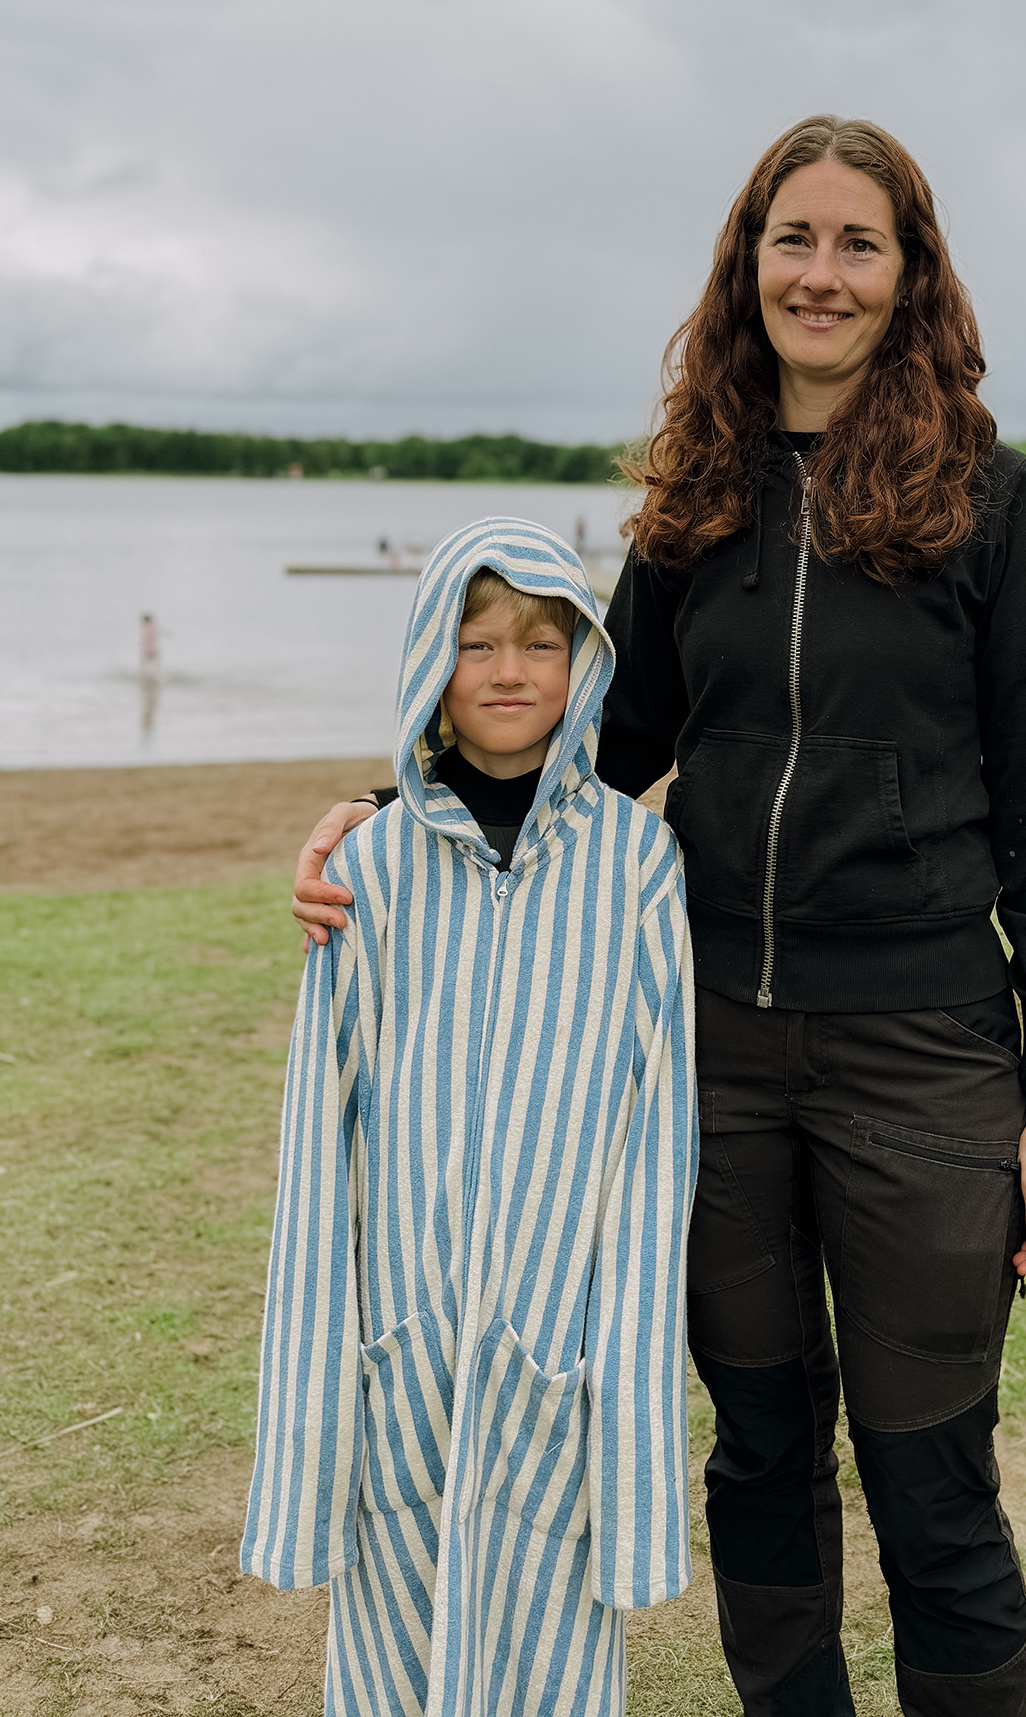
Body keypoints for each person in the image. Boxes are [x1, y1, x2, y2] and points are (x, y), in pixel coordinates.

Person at [296, 116, 1026, 1717]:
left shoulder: (992, 503)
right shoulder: (700, 496)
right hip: (709, 1049)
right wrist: (403, 803)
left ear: (909, 274)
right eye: (790, 240)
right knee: (758, 1447)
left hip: (925, 1053)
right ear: (748, 266)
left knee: (930, 1468)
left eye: (857, 243)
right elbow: (613, 740)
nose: (821, 272)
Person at [245, 517, 696, 1717]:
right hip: (402, 1335)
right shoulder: (374, 871)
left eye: (542, 643)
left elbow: (661, 1147)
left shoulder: (637, 866)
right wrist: (327, 1367)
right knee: (391, 1643)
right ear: (429, 665)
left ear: (586, 662)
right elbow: (316, 1145)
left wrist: (624, 1368)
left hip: (557, 1337)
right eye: (476, 640)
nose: (508, 670)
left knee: (548, 1643)